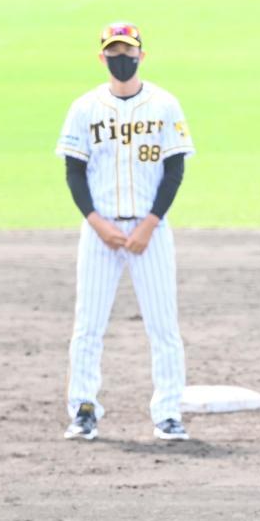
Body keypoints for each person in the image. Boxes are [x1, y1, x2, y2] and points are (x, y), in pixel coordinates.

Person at [56, 22, 195, 441]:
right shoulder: (84, 108)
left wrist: (151, 223)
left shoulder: (165, 105)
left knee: (163, 325)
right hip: (99, 233)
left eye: (128, 50)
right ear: (101, 57)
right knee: (88, 326)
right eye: (114, 51)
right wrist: (97, 223)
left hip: (150, 231)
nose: (122, 58)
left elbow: (175, 169)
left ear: (141, 55)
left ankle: (168, 412)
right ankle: (83, 409)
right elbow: (74, 171)